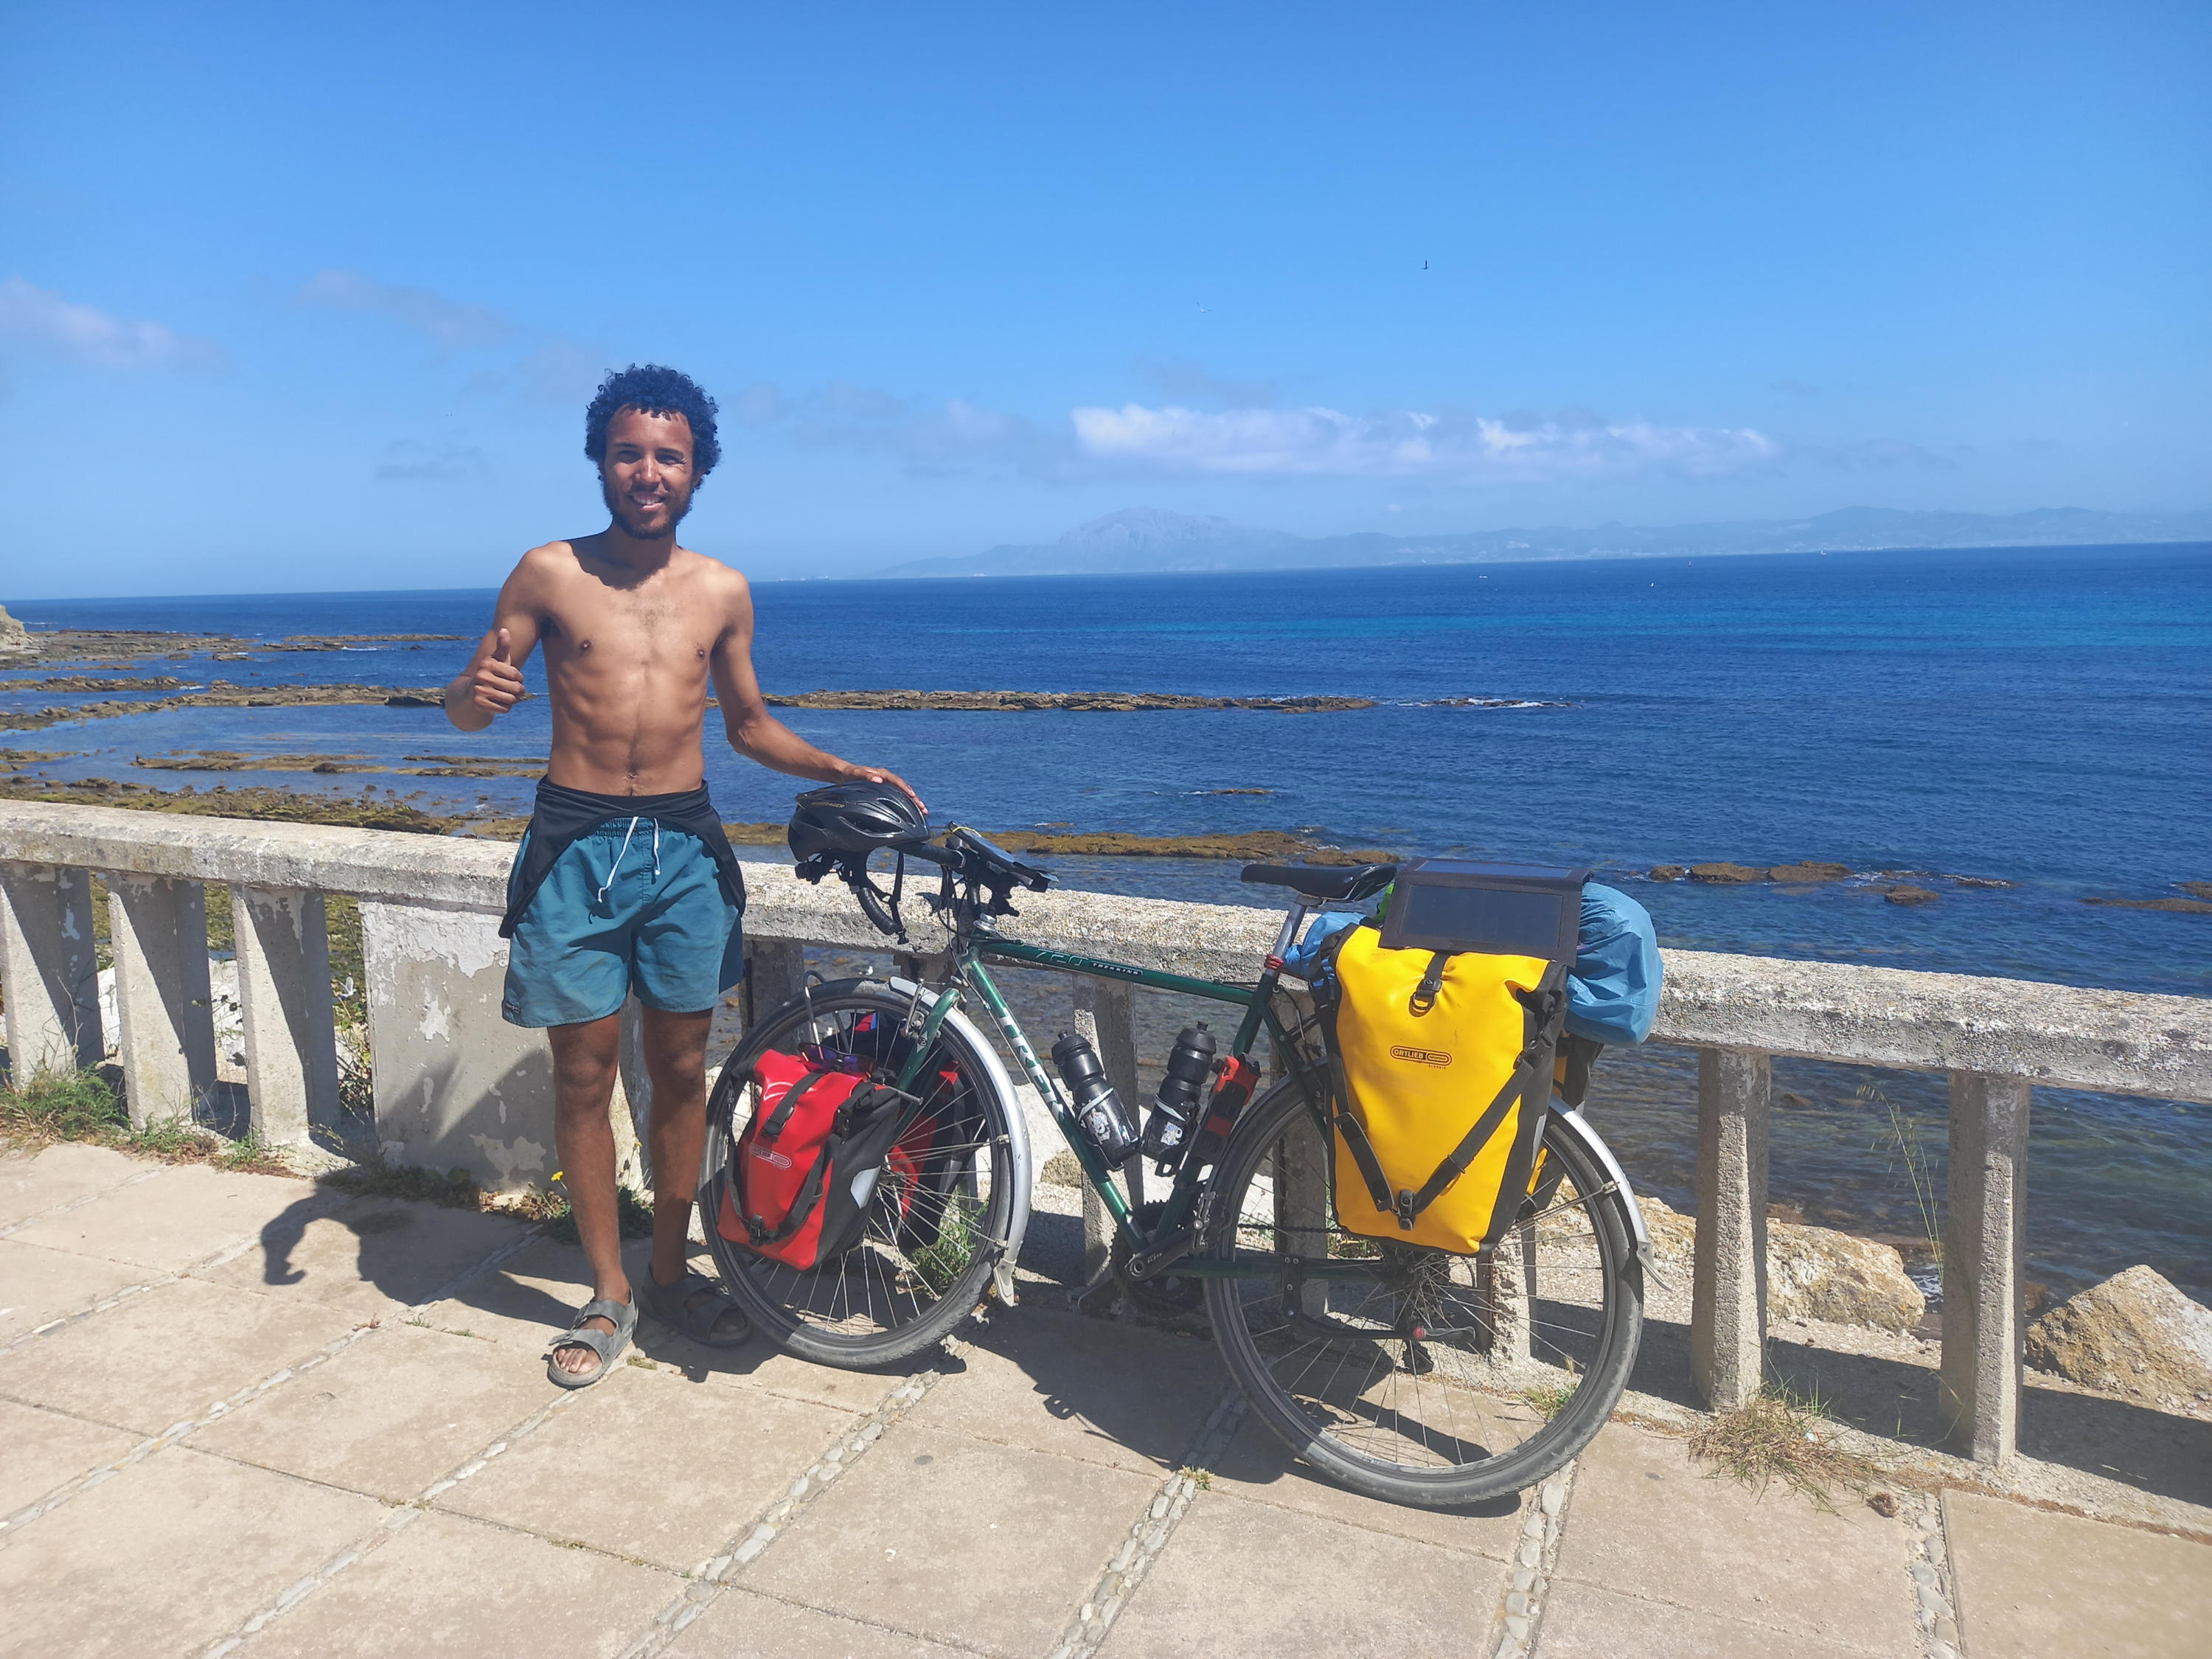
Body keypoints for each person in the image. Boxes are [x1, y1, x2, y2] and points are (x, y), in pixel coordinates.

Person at [446, 363, 920, 1387]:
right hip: (574, 848)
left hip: (682, 851)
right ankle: (608, 1287)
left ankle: (670, 1269)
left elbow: (747, 724)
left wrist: (840, 766)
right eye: (629, 452)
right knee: (581, 1072)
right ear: (601, 461)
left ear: (696, 471)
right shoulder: (545, 573)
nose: (647, 470)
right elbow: (475, 701)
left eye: (669, 455)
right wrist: (468, 693)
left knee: (682, 1072)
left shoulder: (721, 590)